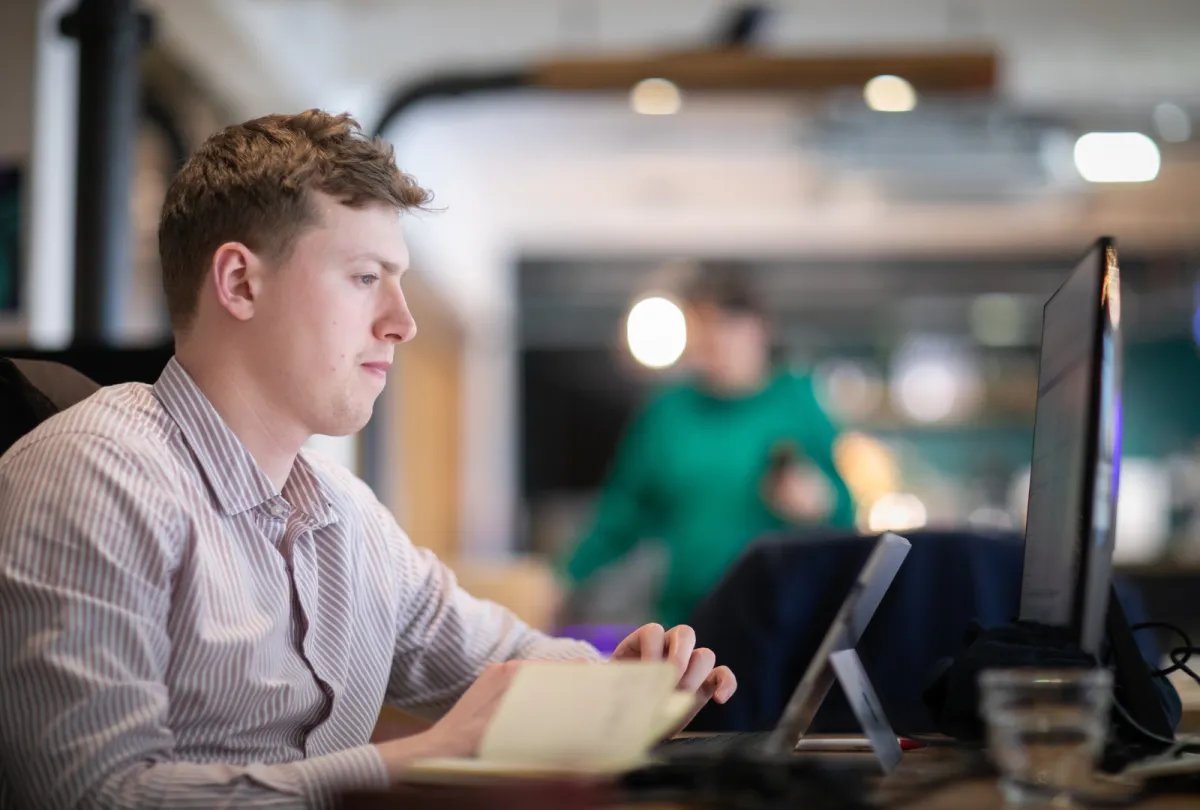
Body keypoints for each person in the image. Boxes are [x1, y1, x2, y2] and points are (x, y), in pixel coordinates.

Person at [0, 110, 735, 810]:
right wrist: (426, 755)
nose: (403, 322)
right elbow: (94, 796)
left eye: (400, 279)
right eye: (363, 278)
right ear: (239, 283)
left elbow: (503, 657)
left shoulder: (345, 516)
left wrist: (624, 687)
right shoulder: (90, 477)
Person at [566, 264, 856, 627]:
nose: (715, 341)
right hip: (689, 616)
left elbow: (846, 514)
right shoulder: (668, 413)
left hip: (781, 614)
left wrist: (819, 504)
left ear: (760, 329)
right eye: (704, 328)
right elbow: (621, 515)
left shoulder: (797, 403)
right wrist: (564, 578)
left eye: (727, 326)